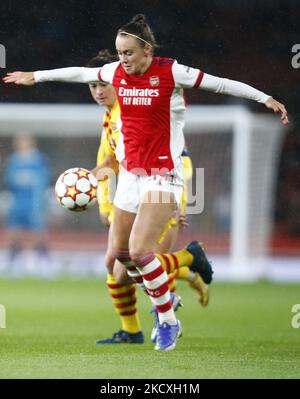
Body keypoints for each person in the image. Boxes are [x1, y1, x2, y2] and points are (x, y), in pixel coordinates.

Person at [3, 14, 288, 350]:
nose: (123, 59)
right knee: (120, 255)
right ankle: (173, 284)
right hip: (130, 178)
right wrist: (35, 76)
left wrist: (264, 98)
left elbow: (221, 83)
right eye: (119, 53)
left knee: (139, 251)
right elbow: (79, 74)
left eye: (128, 53)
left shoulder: (171, 72)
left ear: (146, 50)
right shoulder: (114, 74)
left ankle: (167, 320)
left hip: (164, 175)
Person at [87, 50, 209, 345]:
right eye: (92, 86)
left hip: (160, 192)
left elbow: (180, 159)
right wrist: (104, 202)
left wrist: (176, 203)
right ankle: (134, 327)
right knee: (117, 266)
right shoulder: (111, 118)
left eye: (103, 84)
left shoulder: (141, 110)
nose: (99, 91)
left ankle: (184, 266)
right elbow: (109, 161)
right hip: (131, 195)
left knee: (130, 266)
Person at [4, 132, 51, 278]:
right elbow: (9, 182)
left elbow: (44, 180)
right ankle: (12, 265)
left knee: (39, 235)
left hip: (35, 204)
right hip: (18, 204)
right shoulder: (13, 161)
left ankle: (45, 264)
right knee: (14, 235)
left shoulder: (39, 160)